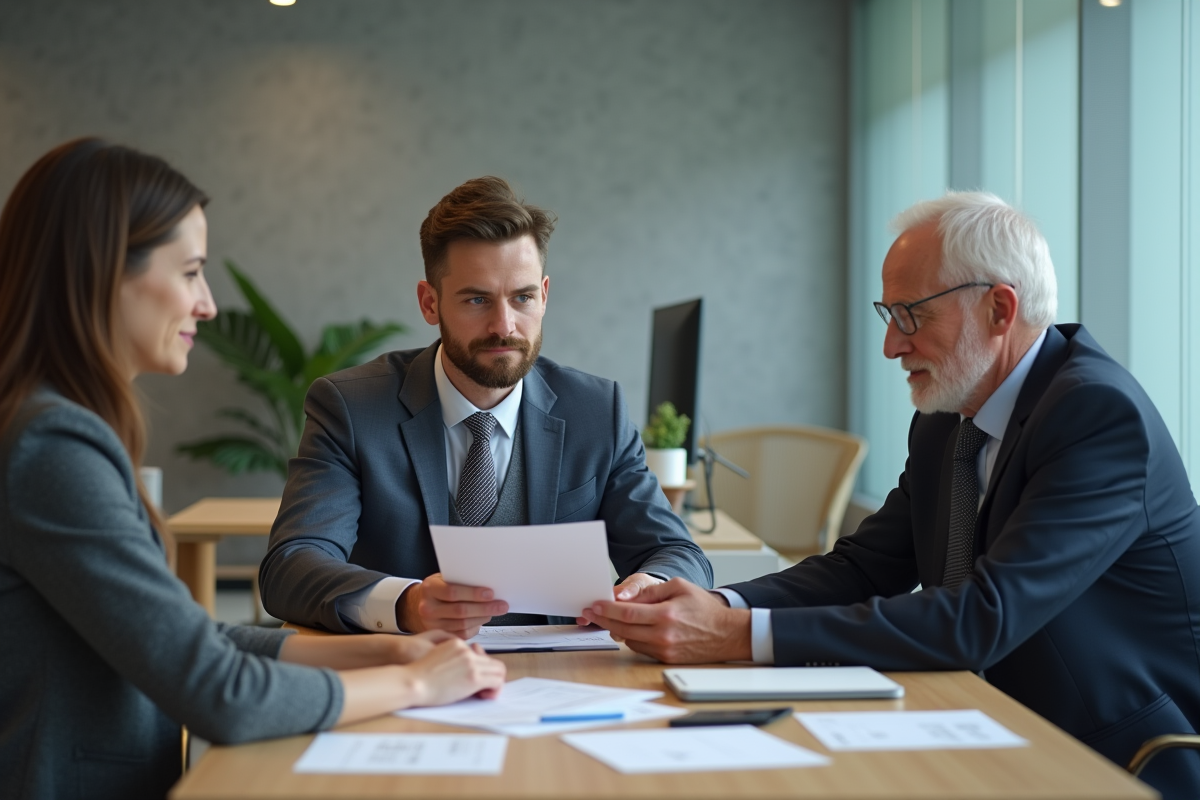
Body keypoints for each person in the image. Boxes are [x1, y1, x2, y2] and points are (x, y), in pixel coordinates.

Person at [581, 192, 1200, 798]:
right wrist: (714, 602)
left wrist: (734, 634)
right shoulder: (946, 418)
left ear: (1000, 310)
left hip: (1112, 755)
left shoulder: (1096, 414)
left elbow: (984, 617)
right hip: (977, 718)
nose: (892, 345)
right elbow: (865, 565)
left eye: (913, 315)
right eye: (889, 315)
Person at [0, 139, 506, 800]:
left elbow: (188, 639)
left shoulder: (49, 426)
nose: (207, 304)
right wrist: (417, 684)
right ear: (101, 273)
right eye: (189, 272)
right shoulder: (51, 445)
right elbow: (218, 693)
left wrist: (385, 649)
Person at [259, 176, 712, 638]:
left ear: (545, 295)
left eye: (522, 297)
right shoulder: (352, 409)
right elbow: (291, 568)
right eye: (477, 299)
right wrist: (406, 604)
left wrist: (646, 587)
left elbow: (679, 554)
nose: (504, 326)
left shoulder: (596, 411)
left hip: (562, 679)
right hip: (404, 675)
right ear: (429, 302)